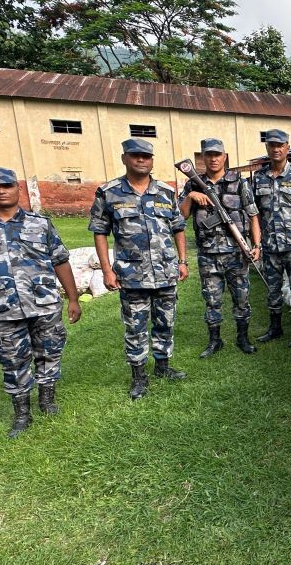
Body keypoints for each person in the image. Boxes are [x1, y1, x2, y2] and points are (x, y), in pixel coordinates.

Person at [0, 167, 82, 438]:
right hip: (3, 308)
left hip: (44, 304)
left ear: (17, 188)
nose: (1, 191)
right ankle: (22, 412)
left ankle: (47, 399)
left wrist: (73, 298)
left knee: (50, 350)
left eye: (7, 185)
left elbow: (60, 261)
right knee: (11, 358)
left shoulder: (40, 223)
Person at [89, 138, 189, 400]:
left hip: (165, 272)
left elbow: (178, 227)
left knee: (165, 322)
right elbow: (100, 232)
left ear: (152, 160)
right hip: (131, 275)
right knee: (135, 327)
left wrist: (182, 261)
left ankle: (163, 367)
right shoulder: (109, 192)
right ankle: (139, 377)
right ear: (124, 158)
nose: (141, 160)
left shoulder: (166, 192)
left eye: (146, 156)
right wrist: (107, 270)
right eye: (135, 155)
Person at [178, 138, 262, 356]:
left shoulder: (239, 182)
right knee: (212, 300)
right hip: (208, 254)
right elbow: (182, 215)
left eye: (217, 154)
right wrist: (190, 196)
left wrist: (257, 245)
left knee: (241, 299)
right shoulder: (192, 183)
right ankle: (215, 341)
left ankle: (243, 338)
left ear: (224, 157)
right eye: (209, 155)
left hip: (236, 253)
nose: (214, 159)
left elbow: (253, 215)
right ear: (203, 158)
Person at [251, 129, 291, 348]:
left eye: (280, 145)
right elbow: (255, 213)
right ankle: (275, 327)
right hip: (270, 245)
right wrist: (257, 243)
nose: (276, 149)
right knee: (273, 288)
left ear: (287, 148)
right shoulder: (259, 177)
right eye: (272, 145)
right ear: (267, 148)